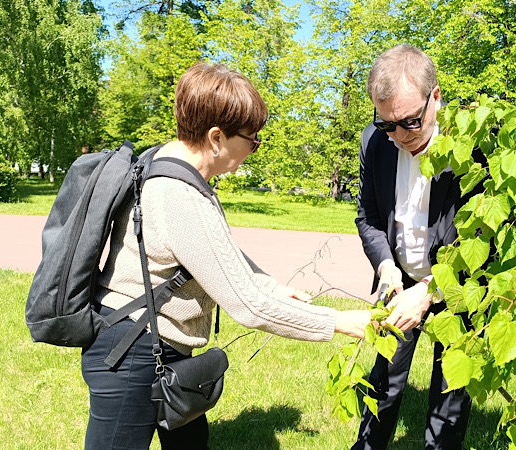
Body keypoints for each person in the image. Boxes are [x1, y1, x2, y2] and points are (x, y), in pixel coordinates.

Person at [81, 62, 373, 450]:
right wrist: (340, 321)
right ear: (216, 137)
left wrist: (269, 285)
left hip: (159, 346)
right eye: (251, 139)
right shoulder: (178, 195)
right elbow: (248, 308)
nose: (253, 149)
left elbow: (215, 250)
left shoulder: (169, 165)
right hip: (130, 351)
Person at [352, 44, 487, 450]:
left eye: (410, 121)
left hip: (458, 289)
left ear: (436, 98)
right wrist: (386, 268)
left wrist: (430, 291)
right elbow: (369, 217)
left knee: (450, 395)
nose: (398, 135)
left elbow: (483, 241)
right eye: (387, 123)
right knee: (383, 385)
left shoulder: (475, 147)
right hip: (399, 285)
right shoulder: (375, 142)